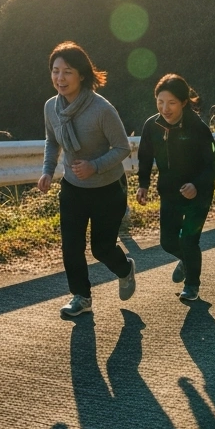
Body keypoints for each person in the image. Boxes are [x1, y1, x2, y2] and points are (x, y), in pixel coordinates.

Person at [40, 42, 136, 319]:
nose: (60, 78)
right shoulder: (51, 107)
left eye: (67, 72)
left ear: (81, 74)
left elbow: (122, 148)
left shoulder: (101, 109)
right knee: (71, 246)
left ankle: (125, 268)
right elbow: (51, 140)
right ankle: (81, 297)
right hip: (73, 187)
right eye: (55, 71)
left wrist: (94, 166)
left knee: (102, 248)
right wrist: (48, 170)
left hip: (108, 189)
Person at [136, 74, 215, 303]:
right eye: (160, 102)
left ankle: (192, 284)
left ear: (184, 102)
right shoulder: (152, 126)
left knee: (189, 240)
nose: (165, 108)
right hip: (170, 191)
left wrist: (197, 185)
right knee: (168, 241)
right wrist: (143, 184)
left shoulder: (198, 128)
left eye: (171, 103)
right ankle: (187, 261)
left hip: (198, 193)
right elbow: (144, 156)